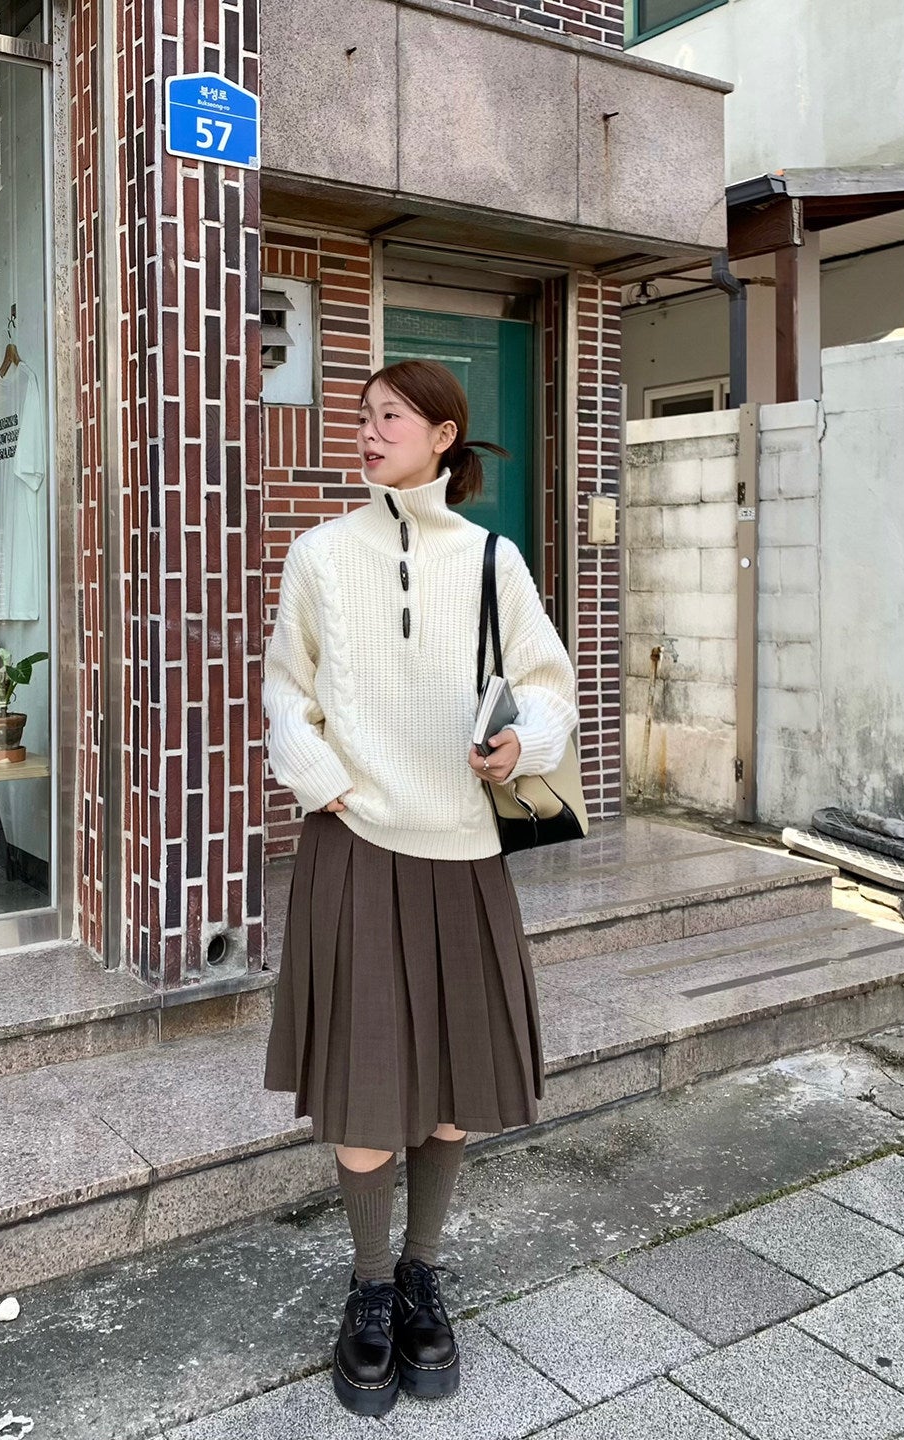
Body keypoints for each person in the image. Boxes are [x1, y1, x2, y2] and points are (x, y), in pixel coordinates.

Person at [261, 359, 579, 1415]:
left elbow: (547, 685)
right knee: (366, 1085)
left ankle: (420, 1273)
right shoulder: (318, 553)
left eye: (389, 416)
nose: (368, 431)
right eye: (362, 416)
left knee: (450, 1092)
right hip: (355, 845)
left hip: (464, 853)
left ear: (444, 434)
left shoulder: (493, 559)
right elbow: (287, 689)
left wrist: (523, 743)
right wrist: (324, 780)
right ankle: (367, 1287)